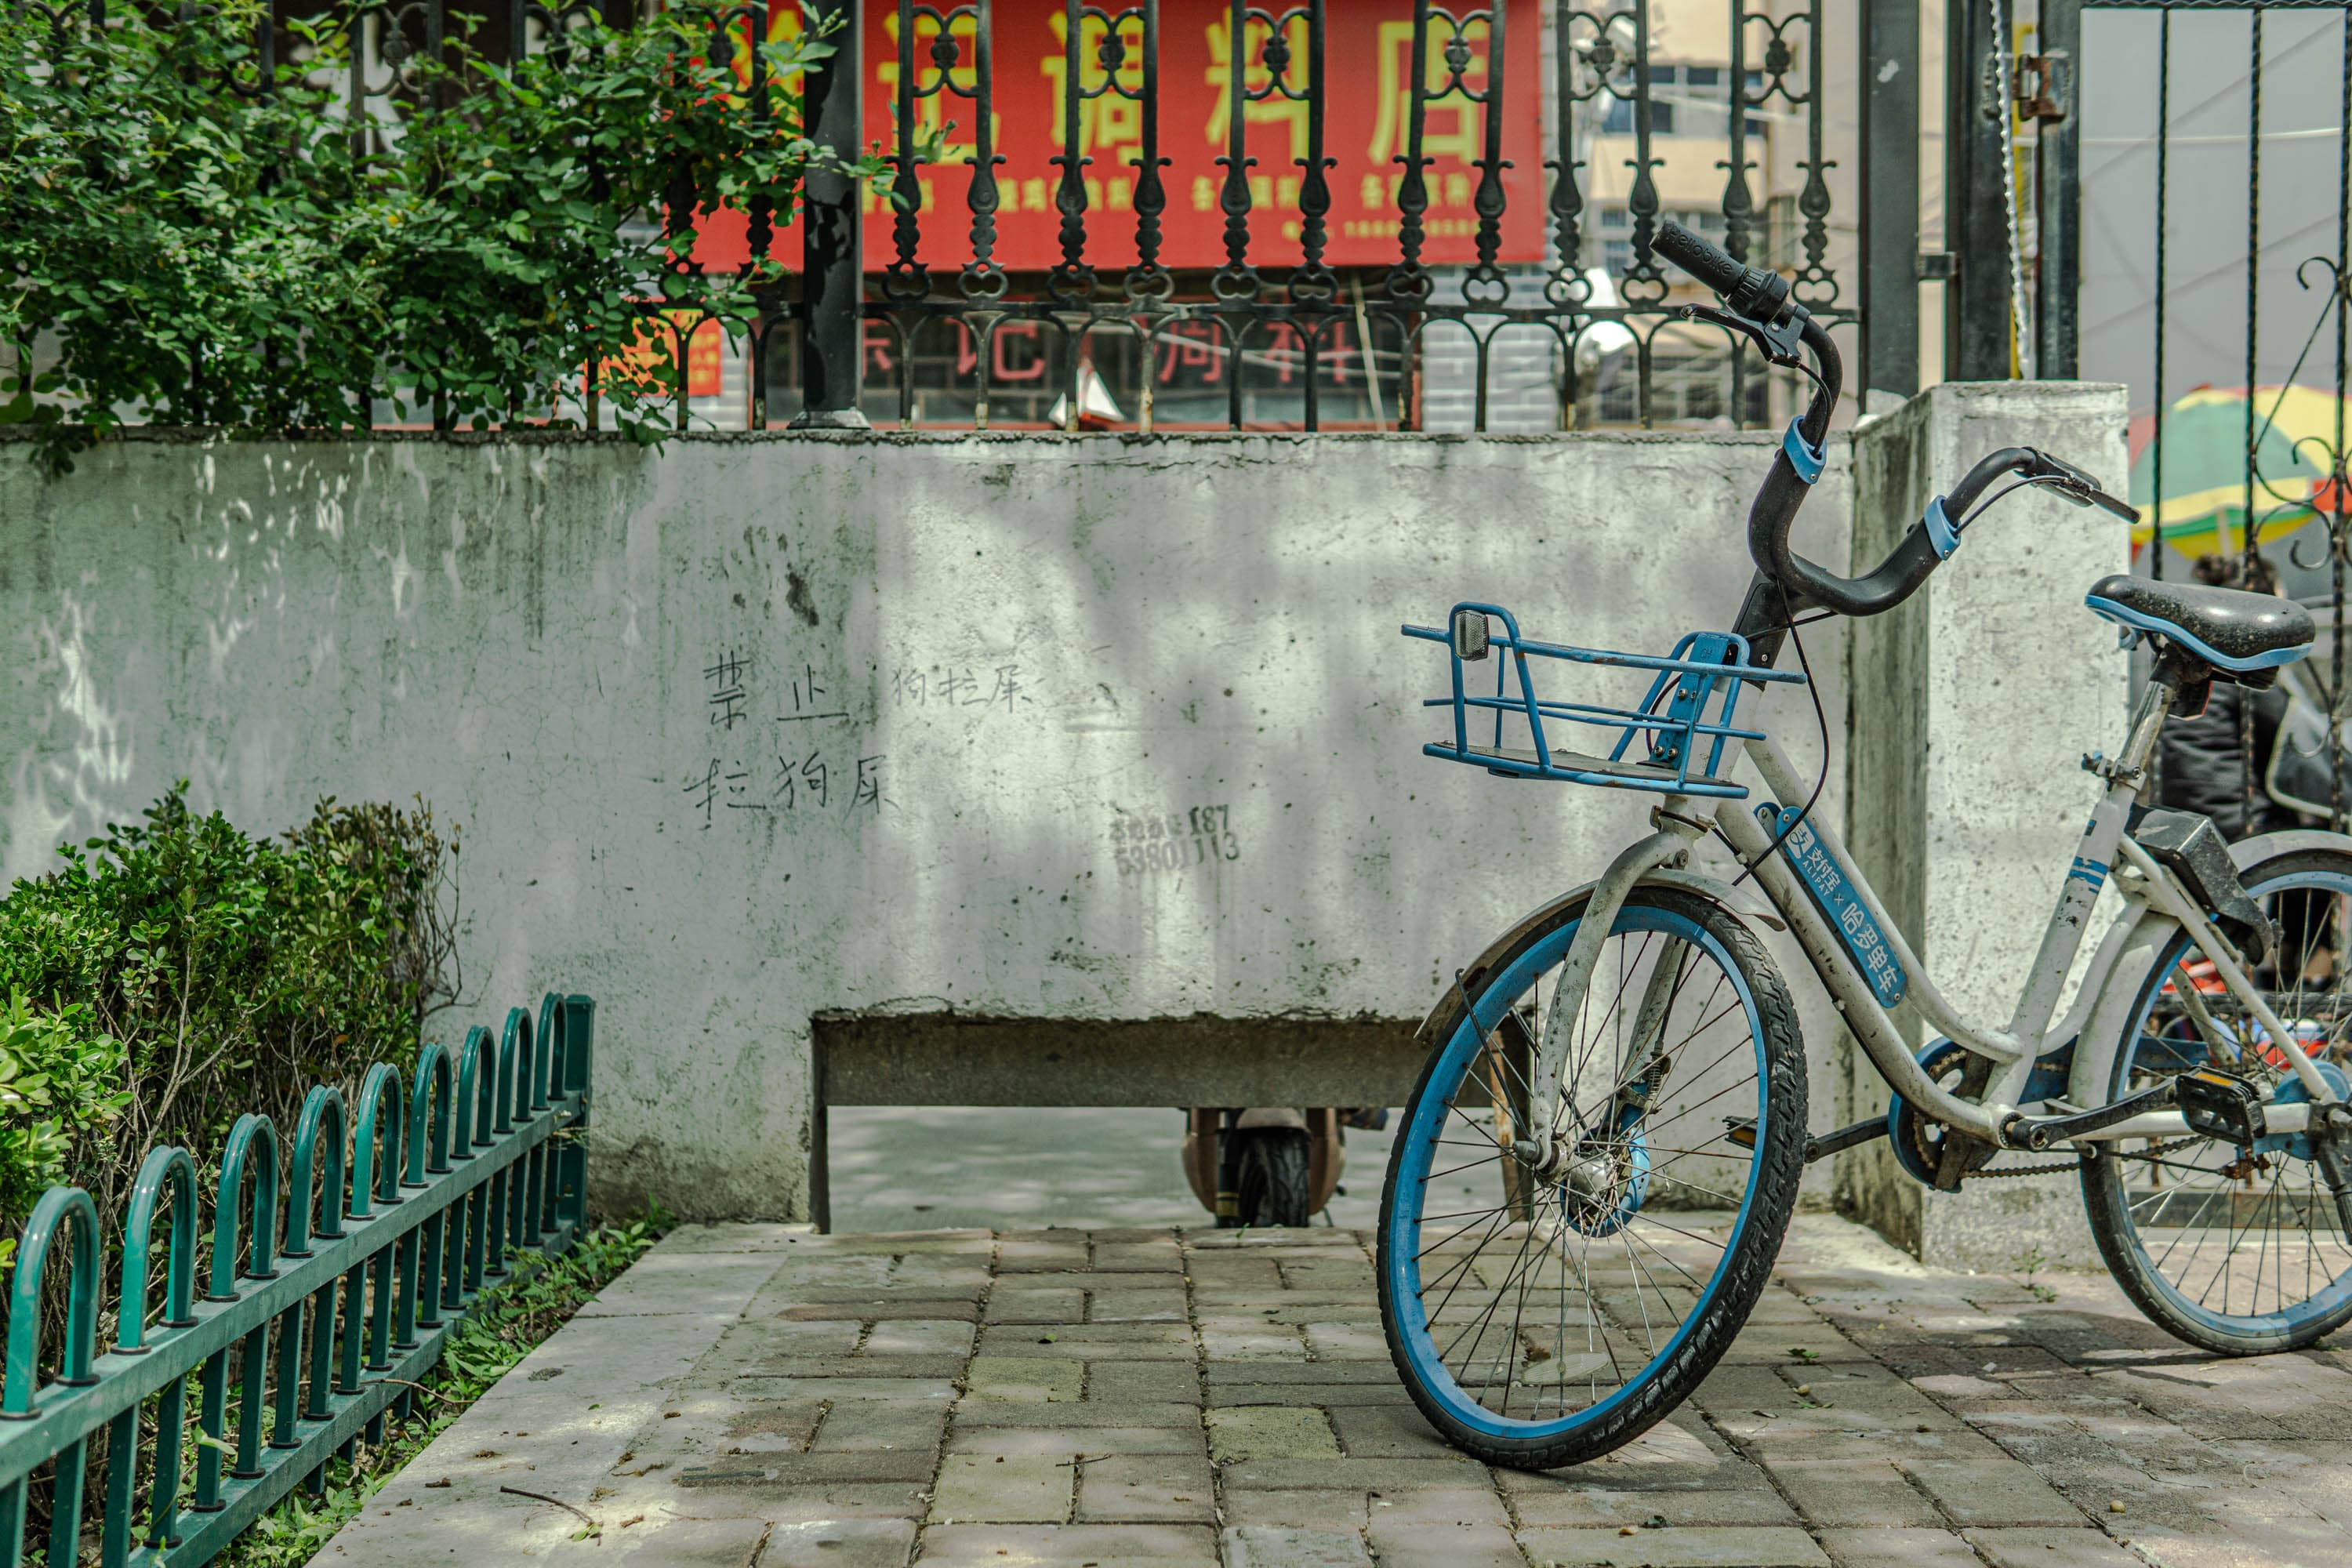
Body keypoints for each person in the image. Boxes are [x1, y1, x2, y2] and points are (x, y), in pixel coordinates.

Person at [2156, 551, 2334, 985]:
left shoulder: (2195, 663)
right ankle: (2303, 980)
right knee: (2313, 847)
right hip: (2237, 826)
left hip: (2181, 815)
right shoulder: (2244, 669)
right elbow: (2302, 746)